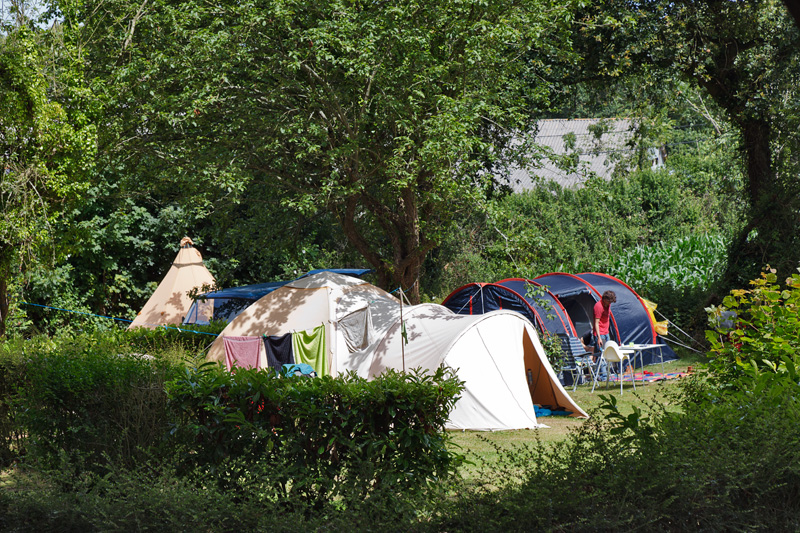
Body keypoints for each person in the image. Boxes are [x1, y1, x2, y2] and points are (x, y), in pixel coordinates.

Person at [593, 290, 617, 378]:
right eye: (609, 301)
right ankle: (603, 376)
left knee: (606, 353)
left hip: (606, 333)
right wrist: (599, 337)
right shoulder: (598, 306)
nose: (610, 303)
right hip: (600, 334)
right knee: (601, 354)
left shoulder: (608, 304)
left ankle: (598, 374)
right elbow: (596, 323)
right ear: (605, 299)